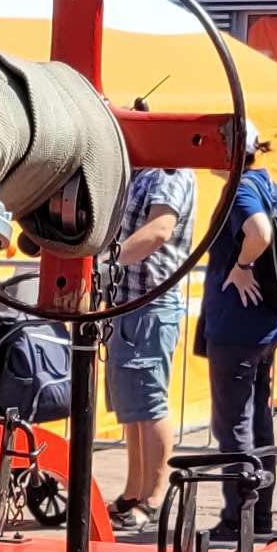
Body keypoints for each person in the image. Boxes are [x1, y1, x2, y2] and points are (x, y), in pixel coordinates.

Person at [194, 129, 277, 535]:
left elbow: (259, 231)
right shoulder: (265, 183)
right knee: (258, 421)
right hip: (262, 326)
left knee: (235, 424)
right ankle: (258, 516)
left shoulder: (241, 189)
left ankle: (239, 518)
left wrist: (246, 266)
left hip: (238, 327)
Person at [103, 156, 195, 530]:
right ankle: (133, 492)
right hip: (130, 302)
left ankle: (154, 497)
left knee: (149, 401)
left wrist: (107, 260)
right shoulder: (142, 173)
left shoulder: (168, 170)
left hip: (152, 303)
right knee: (133, 406)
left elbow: (160, 229)